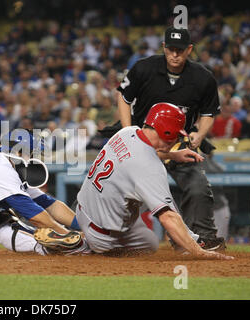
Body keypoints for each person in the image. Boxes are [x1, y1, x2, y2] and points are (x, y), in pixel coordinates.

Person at [36, 103, 232, 260]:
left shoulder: (128, 132)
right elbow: (167, 218)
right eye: (175, 134)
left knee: (150, 244)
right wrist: (198, 253)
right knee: (161, 205)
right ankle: (82, 246)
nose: (176, 138)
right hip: (103, 235)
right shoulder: (149, 169)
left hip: (84, 210)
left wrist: (174, 155)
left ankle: (81, 236)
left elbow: (141, 154)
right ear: (166, 133)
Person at [112, 26, 225, 249]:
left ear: (189, 49)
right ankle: (109, 236)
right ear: (164, 47)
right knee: (114, 186)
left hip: (178, 143)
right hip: (142, 142)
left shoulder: (203, 78)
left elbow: (208, 113)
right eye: (171, 49)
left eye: (180, 50)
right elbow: (124, 98)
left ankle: (204, 239)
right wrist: (128, 134)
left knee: (197, 186)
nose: (175, 54)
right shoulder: (144, 68)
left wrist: (199, 135)